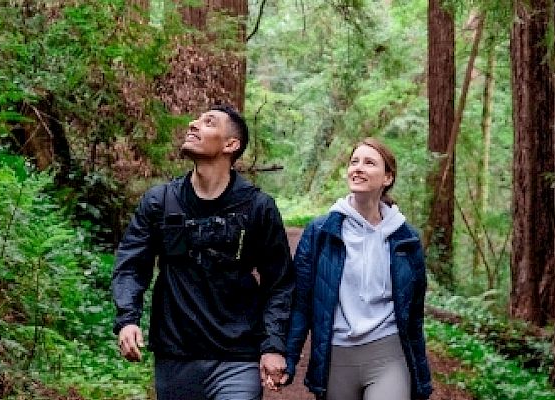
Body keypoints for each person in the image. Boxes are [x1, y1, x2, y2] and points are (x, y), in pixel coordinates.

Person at [112, 105, 294, 400]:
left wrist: (273, 345)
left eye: (208, 122)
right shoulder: (160, 201)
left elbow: (280, 283)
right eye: (196, 120)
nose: (193, 124)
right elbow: (132, 264)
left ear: (230, 145)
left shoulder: (257, 207)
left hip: (238, 357)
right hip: (176, 356)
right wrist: (127, 319)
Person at [279, 138, 433, 400]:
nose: (358, 168)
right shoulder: (320, 232)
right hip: (335, 355)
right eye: (354, 162)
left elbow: (414, 314)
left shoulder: (406, 238)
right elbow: (301, 303)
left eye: (369, 163)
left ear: (387, 177)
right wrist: (289, 358)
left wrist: (420, 374)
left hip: (388, 351)